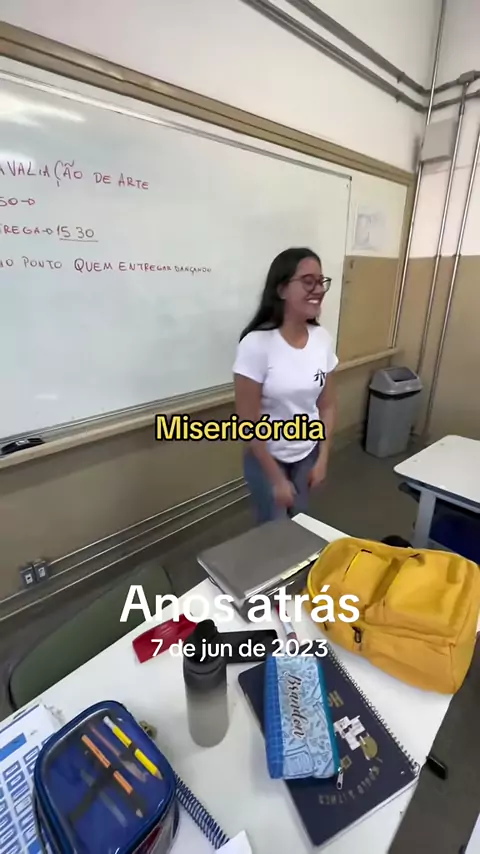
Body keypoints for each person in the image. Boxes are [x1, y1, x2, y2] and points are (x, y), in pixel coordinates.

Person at [233, 247, 337, 524]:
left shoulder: (322, 339)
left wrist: (323, 457)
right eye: (308, 281)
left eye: (321, 281)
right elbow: (248, 422)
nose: (318, 289)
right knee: (275, 533)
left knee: (300, 522)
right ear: (281, 290)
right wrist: (276, 478)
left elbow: (327, 405)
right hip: (267, 459)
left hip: (307, 454)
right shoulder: (255, 345)